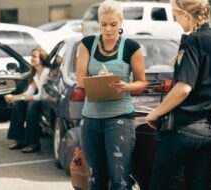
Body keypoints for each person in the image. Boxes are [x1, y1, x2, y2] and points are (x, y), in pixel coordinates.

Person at [145, 0, 211, 189]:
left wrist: (156, 113)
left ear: (185, 14)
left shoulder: (193, 41)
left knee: (160, 185)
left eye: (176, 16)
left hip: (183, 130)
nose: (177, 22)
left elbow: (184, 88)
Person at [76, 0, 148, 189]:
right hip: (90, 119)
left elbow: (142, 82)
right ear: (99, 22)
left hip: (119, 120)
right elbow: (79, 79)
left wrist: (125, 86)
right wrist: (96, 80)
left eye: (113, 24)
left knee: (119, 179)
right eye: (103, 24)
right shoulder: (87, 44)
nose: (108, 29)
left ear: (121, 22)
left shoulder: (132, 47)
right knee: (95, 177)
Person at [4, 48, 51, 153]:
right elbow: (29, 93)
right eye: (31, 56)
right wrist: (14, 97)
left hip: (48, 101)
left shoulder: (46, 72)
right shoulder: (35, 73)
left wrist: (18, 97)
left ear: (42, 59)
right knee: (19, 104)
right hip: (41, 99)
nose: (32, 59)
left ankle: (33, 143)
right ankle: (19, 140)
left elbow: (41, 96)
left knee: (32, 106)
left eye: (34, 56)